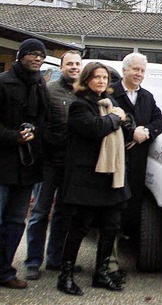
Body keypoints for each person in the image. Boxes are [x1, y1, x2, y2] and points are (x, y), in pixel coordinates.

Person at [57, 62, 134, 295]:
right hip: (86, 179)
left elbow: (127, 126)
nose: (102, 81)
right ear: (86, 79)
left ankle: (101, 274)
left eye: (104, 78)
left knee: (111, 226)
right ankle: (65, 276)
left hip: (111, 177)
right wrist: (117, 118)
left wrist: (125, 119)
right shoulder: (80, 105)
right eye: (97, 77)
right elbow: (96, 128)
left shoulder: (112, 103)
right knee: (80, 227)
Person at [24, 50, 82, 281]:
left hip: (72, 165)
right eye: (70, 64)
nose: (74, 67)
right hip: (49, 163)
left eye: (77, 64)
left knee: (63, 214)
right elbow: (40, 124)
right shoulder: (49, 91)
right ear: (62, 66)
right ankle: (32, 262)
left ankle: (55, 260)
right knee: (40, 212)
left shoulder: (84, 93)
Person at [110, 52, 162, 280]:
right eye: (135, 70)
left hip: (137, 165)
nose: (139, 74)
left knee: (127, 211)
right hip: (115, 162)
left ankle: (116, 261)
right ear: (124, 70)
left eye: (142, 71)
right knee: (112, 213)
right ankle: (109, 265)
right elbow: (105, 119)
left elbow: (160, 121)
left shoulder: (146, 97)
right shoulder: (111, 93)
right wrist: (130, 131)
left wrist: (146, 131)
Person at [0, 38, 48, 290]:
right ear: (20, 56)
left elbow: (44, 119)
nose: (37, 58)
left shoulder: (40, 85)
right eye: (32, 54)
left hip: (27, 168)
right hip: (3, 164)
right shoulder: (2, 82)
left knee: (16, 221)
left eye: (40, 55)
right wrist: (14, 136)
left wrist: (33, 131)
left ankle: (5, 272)